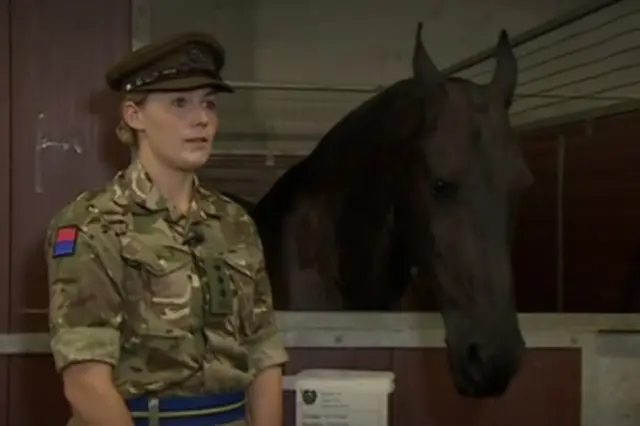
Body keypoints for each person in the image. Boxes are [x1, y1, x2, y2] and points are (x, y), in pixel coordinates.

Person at [45, 31, 288, 426]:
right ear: (133, 115)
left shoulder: (234, 222)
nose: (202, 118)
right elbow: (85, 381)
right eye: (179, 102)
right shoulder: (91, 222)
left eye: (208, 103)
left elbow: (263, 351)